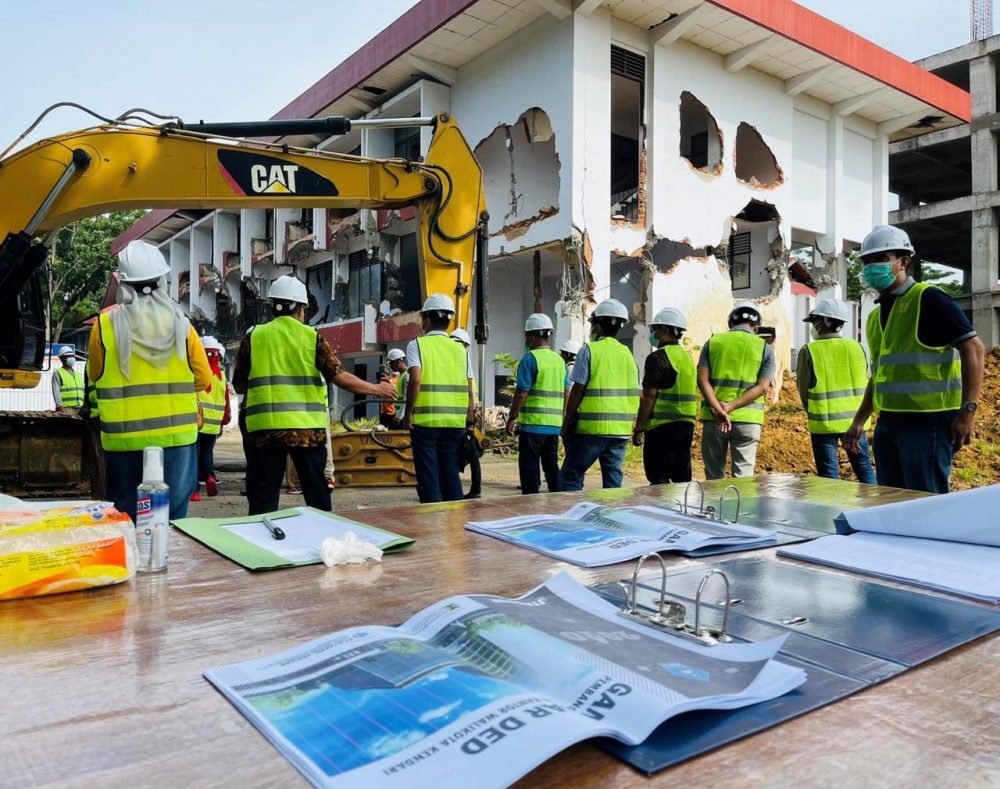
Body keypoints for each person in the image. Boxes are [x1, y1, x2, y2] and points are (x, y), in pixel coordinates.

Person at [233, 275, 395, 515]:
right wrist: (377, 389)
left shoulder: (254, 337)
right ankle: (322, 533)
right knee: (316, 494)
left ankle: (261, 534)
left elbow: (239, 385)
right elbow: (338, 376)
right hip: (306, 431)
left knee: (263, 498)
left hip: (263, 431)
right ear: (300, 309)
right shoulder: (311, 337)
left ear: (273, 306)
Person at [844, 226, 985, 494]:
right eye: (867, 261)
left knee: (924, 502)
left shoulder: (928, 298)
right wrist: (859, 421)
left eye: (881, 259)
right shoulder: (874, 317)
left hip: (928, 424)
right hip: (888, 423)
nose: (872, 267)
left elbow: (974, 349)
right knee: (890, 500)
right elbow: (880, 376)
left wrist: (968, 411)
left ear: (904, 262)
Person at [87, 240, 211, 522]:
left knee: (126, 517)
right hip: (176, 441)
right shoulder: (181, 324)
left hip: (122, 443)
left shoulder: (104, 326)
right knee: (173, 520)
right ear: (162, 281)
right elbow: (203, 377)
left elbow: (95, 374)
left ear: (124, 285)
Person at [560, 299, 640, 491]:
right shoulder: (628, 354)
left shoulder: (589, 350)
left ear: (597, 325)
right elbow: (638, 392)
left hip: (592, 429)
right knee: (613, 482)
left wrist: (568, 418)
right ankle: (612, 510)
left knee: (571, 476)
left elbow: (578, 389)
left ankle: (573, 509)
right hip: (620, 431)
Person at [402, 294, 475, 503]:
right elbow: (469, 389)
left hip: (426, 423)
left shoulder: (417, 345)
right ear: (449, 320)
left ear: (426, 320)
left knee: (429, 476)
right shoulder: (461, 349)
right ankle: (456, 517)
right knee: (451, 474)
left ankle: (432, 518)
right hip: (454, 424)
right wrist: (470, 421)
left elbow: (415, 380)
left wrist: (408, 414)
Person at [797, 299, 876, 484]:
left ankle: (834, 505)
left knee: (828, 478)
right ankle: (876, 502)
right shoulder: (857, 347)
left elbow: (803, 389)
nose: (813, 326)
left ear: (824, 321)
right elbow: (867, 380)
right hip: (855, 423)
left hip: (823, 424)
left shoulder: (809, 350)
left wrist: (812, 410)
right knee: (864, 468)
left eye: (815, 321)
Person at [698, 300, 774, 479]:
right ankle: (742, 499)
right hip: (748, 420)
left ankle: (715, 500)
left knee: (714, 476)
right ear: (756, 326)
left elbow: (702, 380)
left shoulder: (713, 342)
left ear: (731, 322)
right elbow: (763, 387)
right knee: (743, 478)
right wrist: (730, 406)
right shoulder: (765, 348)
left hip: (714, 418)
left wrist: (719, 409)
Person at [632, 307, 696, 485]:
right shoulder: (687, 358)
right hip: (685, 426)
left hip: (661, 428)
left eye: (655, 329)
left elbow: (649, 397)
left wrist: (639, 428)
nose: (652, 333)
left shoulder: (657, 358)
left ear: (665, 330)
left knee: (658, 479)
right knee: (682, 478)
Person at [505, 313, 563, 495]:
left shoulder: (530, 359)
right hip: (553, 426)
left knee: (529, 467)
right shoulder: (559, 360)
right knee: (551, 466)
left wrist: (512, 417)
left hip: (533, 425)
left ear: (531, 337)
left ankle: (530, 503)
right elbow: (568, 391)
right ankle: (558, 499)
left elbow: (522, 392)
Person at [192, 336, 231, 501]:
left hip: (197, 422)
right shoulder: (222, 376)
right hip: (214, 424)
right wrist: (223, 422)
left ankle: (194, 490)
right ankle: (210, 476)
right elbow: (226, 401)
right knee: (207, 452)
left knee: (194, 456)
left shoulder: (197, 373)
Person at [449, 327, 482, 499]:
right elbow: (471, 392)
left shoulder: (454, 358)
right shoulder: (463, 358)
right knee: (471, 454)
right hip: (466, 414)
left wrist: (470, 421)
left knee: (460, 453)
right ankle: (475, 488)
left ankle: (468, 489)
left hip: (456, 416)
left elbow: (470, 392)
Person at [52, 345, 84, 414]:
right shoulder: (58, 373)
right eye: (68, 356)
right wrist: (59, 406)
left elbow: (83, 391)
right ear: (61, 358)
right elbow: (56, 391)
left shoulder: (78, 374)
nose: (72, 358)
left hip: (80, 408)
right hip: (66, 408)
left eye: (72, 356)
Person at [386, 348, 408, 426]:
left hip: (404, 416)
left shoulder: (407, 375)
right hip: (400, 414)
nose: (390, 366)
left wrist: (399, 416)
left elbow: (407, 398)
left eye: (391, 363)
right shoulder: (401, 375)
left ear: (398, 361)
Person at [558, 339, 580, 409]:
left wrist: (565, 410)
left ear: (568, 354)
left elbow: (568, 392)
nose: (561, 355)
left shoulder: (570, 368)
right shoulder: (576, 367)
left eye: (563, 353)